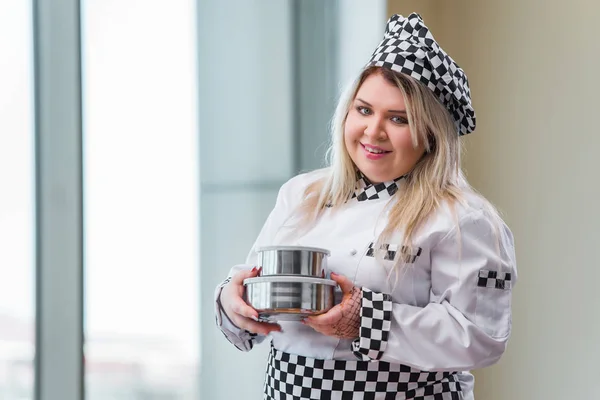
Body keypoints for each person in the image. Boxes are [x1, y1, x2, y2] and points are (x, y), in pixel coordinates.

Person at [215, 13, 517, 400]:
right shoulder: (301, 193)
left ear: (431, 135)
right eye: (363, 110)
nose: (373, 131)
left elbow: (480, 338)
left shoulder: (465, 220)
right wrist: (232, 298)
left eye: (398, 118)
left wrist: (364, 319)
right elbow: (254, 280)